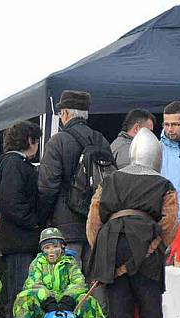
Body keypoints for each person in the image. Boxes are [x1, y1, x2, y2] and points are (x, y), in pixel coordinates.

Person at [87, 128, 179, 318]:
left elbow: (94, 220)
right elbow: (169, 223)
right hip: (147, 254)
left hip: (112, 248)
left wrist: (103, 253)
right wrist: (155, 246)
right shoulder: (163, 185)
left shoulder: (111, 180)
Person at [38, 90, 112, 270]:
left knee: (69, 279)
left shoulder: (58, 142)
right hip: (97, 221)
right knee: (93, 280)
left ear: (64, 113)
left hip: (66, 224)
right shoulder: (101, 140)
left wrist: (42, 218)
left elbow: (48, 186)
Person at [12, 228, 108, 318]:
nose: (51, 251)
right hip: (45, 306)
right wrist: (47, 299)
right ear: (43, 250)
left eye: (55, 247)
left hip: (68, 305)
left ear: (62, 247)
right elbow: (33, 283)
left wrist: (68, 297)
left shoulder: (70, 262)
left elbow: (78, 282)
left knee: (87, 300)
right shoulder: (37, 263)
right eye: (47, 248)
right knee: (24, 297)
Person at [0, 120, 43, 318]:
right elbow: (12, 201)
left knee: (15, 282)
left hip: (13, 237)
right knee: (20, 284)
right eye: (37, 141)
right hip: (20, 237)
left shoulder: (8, 163)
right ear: (30, 140)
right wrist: (33, 223)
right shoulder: (15, 164)